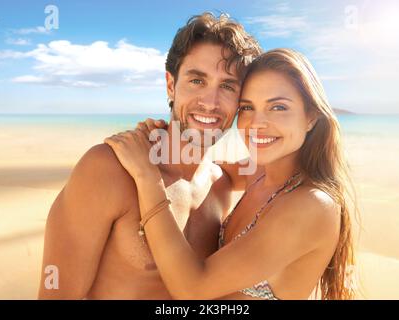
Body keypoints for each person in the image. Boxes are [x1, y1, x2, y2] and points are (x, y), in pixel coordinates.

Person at [38, 12, 261, 299]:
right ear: (171, 85)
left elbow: (295, 167)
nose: (210, 102)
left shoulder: (224, 185)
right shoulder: (108, 169)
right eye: (196, 81)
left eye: (227, 86)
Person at [105, 48, 357, 300]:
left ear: (311, 117)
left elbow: (192, 289)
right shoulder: (259, 172)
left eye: (278, 107)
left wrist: (147, 177)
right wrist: (164, 142)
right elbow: (210, 168)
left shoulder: (311, 205)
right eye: (247, 108)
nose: (257, 123)